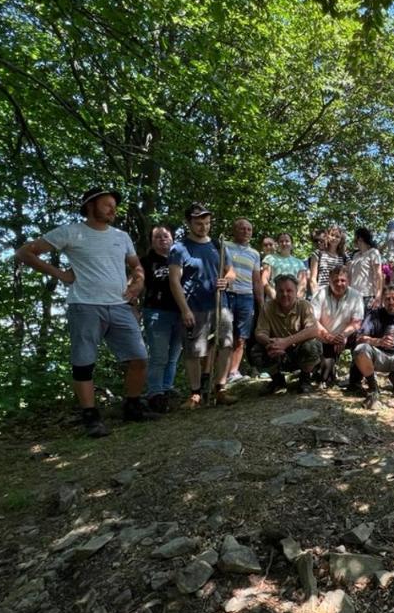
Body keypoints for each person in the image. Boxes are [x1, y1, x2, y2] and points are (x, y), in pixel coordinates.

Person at [16, 186, 154, 437]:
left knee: (139, 359)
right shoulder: (71, 232)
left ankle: (132, 406)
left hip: (120, 305)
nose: (113, 209)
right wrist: (60, 274)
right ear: (90, 206)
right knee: (84, 363)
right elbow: (25, 252)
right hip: (85, 306)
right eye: (107, 204)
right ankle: (90, 417)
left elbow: (136, 265)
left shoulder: (121, 236)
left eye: (114, 205)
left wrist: (139, 281)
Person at [168, 202, 237, 408]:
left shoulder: (218, 246)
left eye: (207, 223)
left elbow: (231, 271)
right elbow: (174, 281)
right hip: (194, 306)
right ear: (189, 223)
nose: (204, 227)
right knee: (194, 351)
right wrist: (185, 309)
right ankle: (195, 393)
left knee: (225, 344)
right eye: (199, 223)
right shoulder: (179, 249)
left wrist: (227, 280)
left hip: (220, 305)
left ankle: (220, 388)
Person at [252, 274, 322, 393]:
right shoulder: (267, 307)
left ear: (296, 291)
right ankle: (277, 380)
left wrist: (286, 342)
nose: (285, 294)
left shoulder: (304, 306)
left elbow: (314, 330)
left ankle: (305, 379)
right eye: (281, 291)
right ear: (276, 291)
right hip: (277, 351)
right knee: (256, 350)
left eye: (289, 290)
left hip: (298, 351)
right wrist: (272, 343)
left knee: (312, 345)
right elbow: (260, 332)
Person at [140, 224, 183, 413]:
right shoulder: (146, 261)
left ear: (172, 238)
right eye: (157, 237)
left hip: (181, 312)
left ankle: (166, 388)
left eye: (165, 236)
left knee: (174, 355)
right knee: (159, 356)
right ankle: (155, 393)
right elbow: (137, 283)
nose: (162, 239)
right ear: (152, 241)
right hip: (156, 312)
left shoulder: (180, 257)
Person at [311, 264, 365, 387]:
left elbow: (357, 322)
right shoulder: (319, 294)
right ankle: (320, 372)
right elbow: (313, 321)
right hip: (324, 336)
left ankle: (355, 380)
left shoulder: (356, 296)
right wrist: (328, 337)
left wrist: (343, 335)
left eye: (343, 280)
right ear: (329, 280)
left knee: (362, 341)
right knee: (326, 380)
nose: (339, 283)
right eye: (335, 280)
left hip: (346, 336)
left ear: (348, 281)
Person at [224, 218, 263, 384]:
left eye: (249, 229)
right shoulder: (224, 246)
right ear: (234, 230)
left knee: (241, 336)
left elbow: (256, 280)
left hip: (246, 296)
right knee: (224, 335)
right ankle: (220, 374)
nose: (246, 231)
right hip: (227, 294)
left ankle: (233, 372)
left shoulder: (255, 253)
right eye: (242, 228)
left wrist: (260, 302)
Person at [349, 227, 384, 306]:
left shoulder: (373, 252)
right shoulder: (355, 255)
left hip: (367, 296)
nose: (354, 241)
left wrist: (378, 296)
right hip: (353, 296)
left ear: (360, 239)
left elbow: (378, 275)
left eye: (355, 238)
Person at [310, 225, 349, 296]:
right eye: (332, 235)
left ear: (341, 239)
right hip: (322, 293)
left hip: (339, 293)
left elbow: (349, 278)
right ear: (327, 236)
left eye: (337, 236)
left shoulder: (345, 256)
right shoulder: (318, 254)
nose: (334, 238)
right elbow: (313, 279)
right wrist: (316, 297)